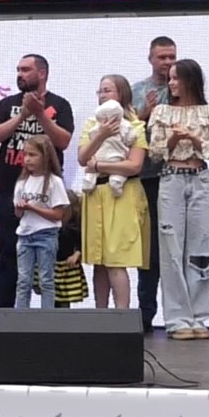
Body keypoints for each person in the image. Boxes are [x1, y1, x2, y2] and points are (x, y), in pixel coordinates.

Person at [0, 54, 74, 308]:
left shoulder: (59, 104)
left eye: (26, 70)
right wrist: (22, 116)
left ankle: (52, 315)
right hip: (10, 190)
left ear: (42, 73)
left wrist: (40, 115)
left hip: (47, 193)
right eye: (18, 70)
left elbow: (63, 141)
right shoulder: (8, 104)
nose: (20, 74)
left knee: (51, 257)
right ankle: (6, 312)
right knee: (8, 254)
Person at [146, 59, 209, 339]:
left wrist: (194, 138)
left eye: (176, 78)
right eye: (170, 79)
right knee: (171, 247)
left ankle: (199, 317)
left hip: (200, 178)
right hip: (172, 178)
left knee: (201, 247)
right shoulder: (162, 111)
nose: (172, 83)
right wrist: (174, 140)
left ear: (190, 80)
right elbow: (155, 153)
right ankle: (177, 319)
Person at [76, 75, 150, 313]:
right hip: (95, 192)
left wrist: (100, 166)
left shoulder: (134, 125)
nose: (102, 95)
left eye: (108, 90)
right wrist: (101, 134)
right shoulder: (92, 124)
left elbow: (134, 165)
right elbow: (82, 158)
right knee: (99, 261)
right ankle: (101, 314)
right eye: (100, 91)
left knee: (116, 259)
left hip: (121, 194)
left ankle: (122, 315)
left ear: (122, 94)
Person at [131, 35, 178, 330]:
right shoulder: (137, 90)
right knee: (149, 251)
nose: (168, 62)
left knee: (176, 249)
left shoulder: (185, 90)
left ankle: (179, 315)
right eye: (162, 57)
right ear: (151, 59)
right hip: (146, 176)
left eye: (172, 56)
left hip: (179, 175)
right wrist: (145, 114)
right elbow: (125, 129)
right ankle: (145, 313)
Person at [9, 138, 71, 309]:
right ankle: (21, 316)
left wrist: (33, 207)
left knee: (46, 280)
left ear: (45, 156)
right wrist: (20, 208)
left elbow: (58, 215)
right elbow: (18, 214)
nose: (27, 159)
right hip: (25, 235)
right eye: (25, 155)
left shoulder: (54, 182)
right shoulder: (22, 182)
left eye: (32, 155)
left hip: (46, 235)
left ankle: (46, 317)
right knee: (23, 280)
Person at [55, 192, 89, 306]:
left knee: (64, 299)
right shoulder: (53, 223)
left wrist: (77, 254)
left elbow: (81, 242)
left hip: (67, 266)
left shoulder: (74, 226)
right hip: (53, 265)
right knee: (52, 295)